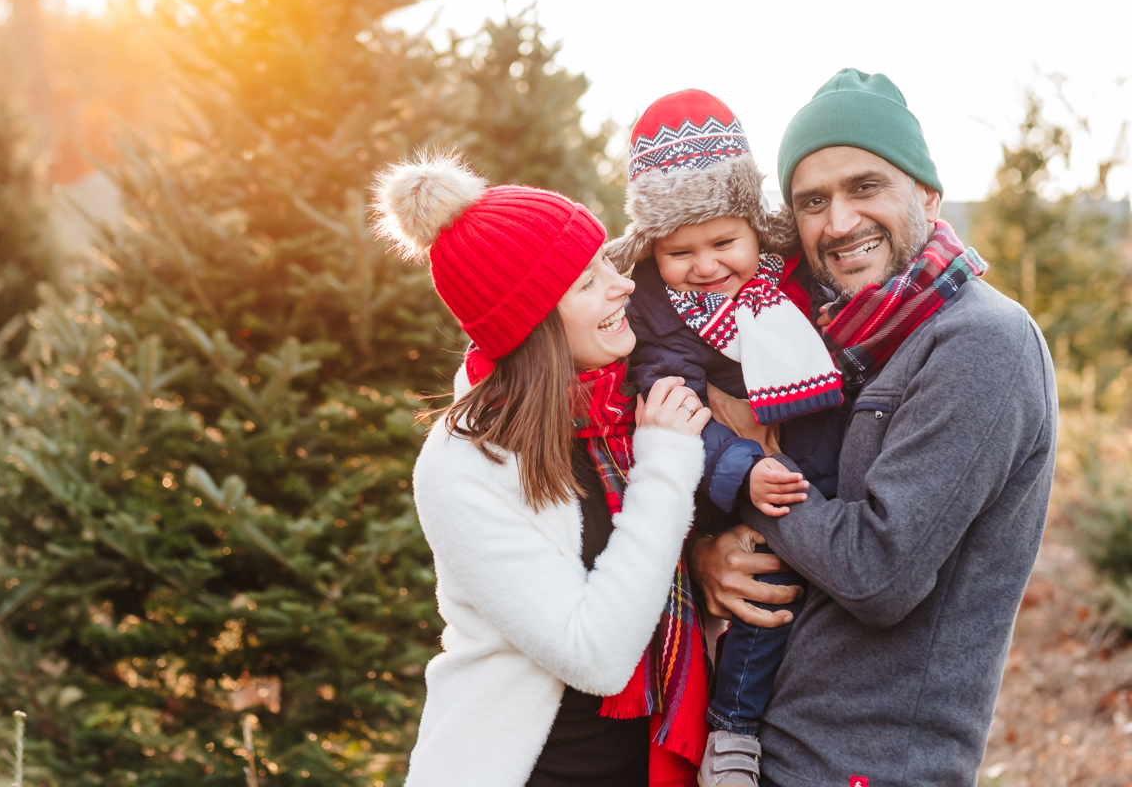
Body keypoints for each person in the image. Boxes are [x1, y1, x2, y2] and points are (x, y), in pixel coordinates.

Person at [690, 68, 1059, 787]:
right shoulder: (839, 341)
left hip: (867, 767)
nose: (838, 223)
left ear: (926, 193)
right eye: (812, 201)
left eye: (866, 187)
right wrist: (713, 559)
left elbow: (876, 573)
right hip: (777, 750)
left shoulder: (981, 342)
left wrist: (745, 471)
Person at [373, 153, 713, 787]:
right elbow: (597, 657)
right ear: (531, 326)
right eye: (587, 283)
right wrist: (665, 469)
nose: (622, 285)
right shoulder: (467, 463)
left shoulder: (625, 406)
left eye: (606, 262)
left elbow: (667, 564)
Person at [604, 89, 847, 787]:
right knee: (760, 584)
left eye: (722, 244)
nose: (705, 267)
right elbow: (671, 403)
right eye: (679, 251)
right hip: (726, 485)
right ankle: (732, 734)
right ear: (654, 248)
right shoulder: (657, 310)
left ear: (753, 228)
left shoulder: (791, 284)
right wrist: (740, 471)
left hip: (813, 463)